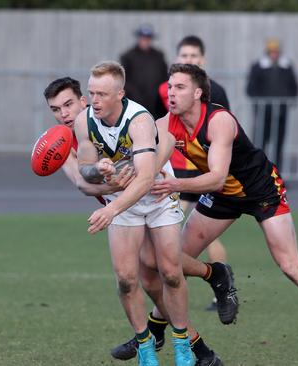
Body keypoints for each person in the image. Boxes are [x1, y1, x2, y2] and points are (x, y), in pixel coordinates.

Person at [153, 63, 298, 366]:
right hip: (222, 196)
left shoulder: (219, 121)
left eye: (179, 87)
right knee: (170, 262)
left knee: (291, 265)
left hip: (261, 190)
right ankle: (212, 281)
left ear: (198, 92)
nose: (171, 93)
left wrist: (173, 183)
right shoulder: (166, 123)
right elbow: (148, 161)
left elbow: (215, 177)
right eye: (170, 86)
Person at [45, 76, 223, 366]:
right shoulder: (61, 144)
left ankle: (201, 297)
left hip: (152, 197)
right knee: (145, 280)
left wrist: (145, 172)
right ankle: (189, 343)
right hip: (123, 206)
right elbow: (83, 184)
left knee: (162, 269)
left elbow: (163, 139)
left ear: (84, 101)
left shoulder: (116, 119)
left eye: (68, 105)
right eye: (55, 109)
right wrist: (118, 182)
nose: (63, 114)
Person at [74, 61, 193, 366]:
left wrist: (111, 209)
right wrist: (98, 171)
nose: (95, 100)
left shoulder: (139, 120)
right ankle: (145, 346)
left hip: (155, 195)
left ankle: (182, 343)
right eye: (91, 93)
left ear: (120, 94)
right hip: (121, 200)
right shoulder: (84, 121)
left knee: (170, 272)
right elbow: (85, 170)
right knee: (127, 279)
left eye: (102, 94)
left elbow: (144, 178)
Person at [158, 35, 229, 312]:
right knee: (174, 229)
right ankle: (213, 280)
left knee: (181, 231)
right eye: (184, 56)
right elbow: (160, 128)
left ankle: (217, 282)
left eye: (193, 56)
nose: (189, 60)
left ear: (203, 60)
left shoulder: (215, 91)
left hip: (201, 174)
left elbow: (221, 131)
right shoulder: (166, 90)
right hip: (177, 168)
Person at [246, 38, 298, 170]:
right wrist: (261, 104)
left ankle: (276, 175)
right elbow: (251, 88)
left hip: (281, 112)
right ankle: (260, 174)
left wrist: (288, 100)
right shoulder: (258, 66)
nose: (274, 54)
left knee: (278, 145)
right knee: (260, 143)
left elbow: (294, 86)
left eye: (276, 52)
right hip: (263, 113)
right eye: (271, 52)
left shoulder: (286, 66)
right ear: (267, 52)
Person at [120, 24, 168, 120]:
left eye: (148, 38)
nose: (145, 40)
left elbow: (164, 76)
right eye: (143, 38)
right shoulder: (128, 56)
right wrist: (135, 95)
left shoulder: (158, 55)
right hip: (134, 102)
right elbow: (123, 79)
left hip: (156, 104)